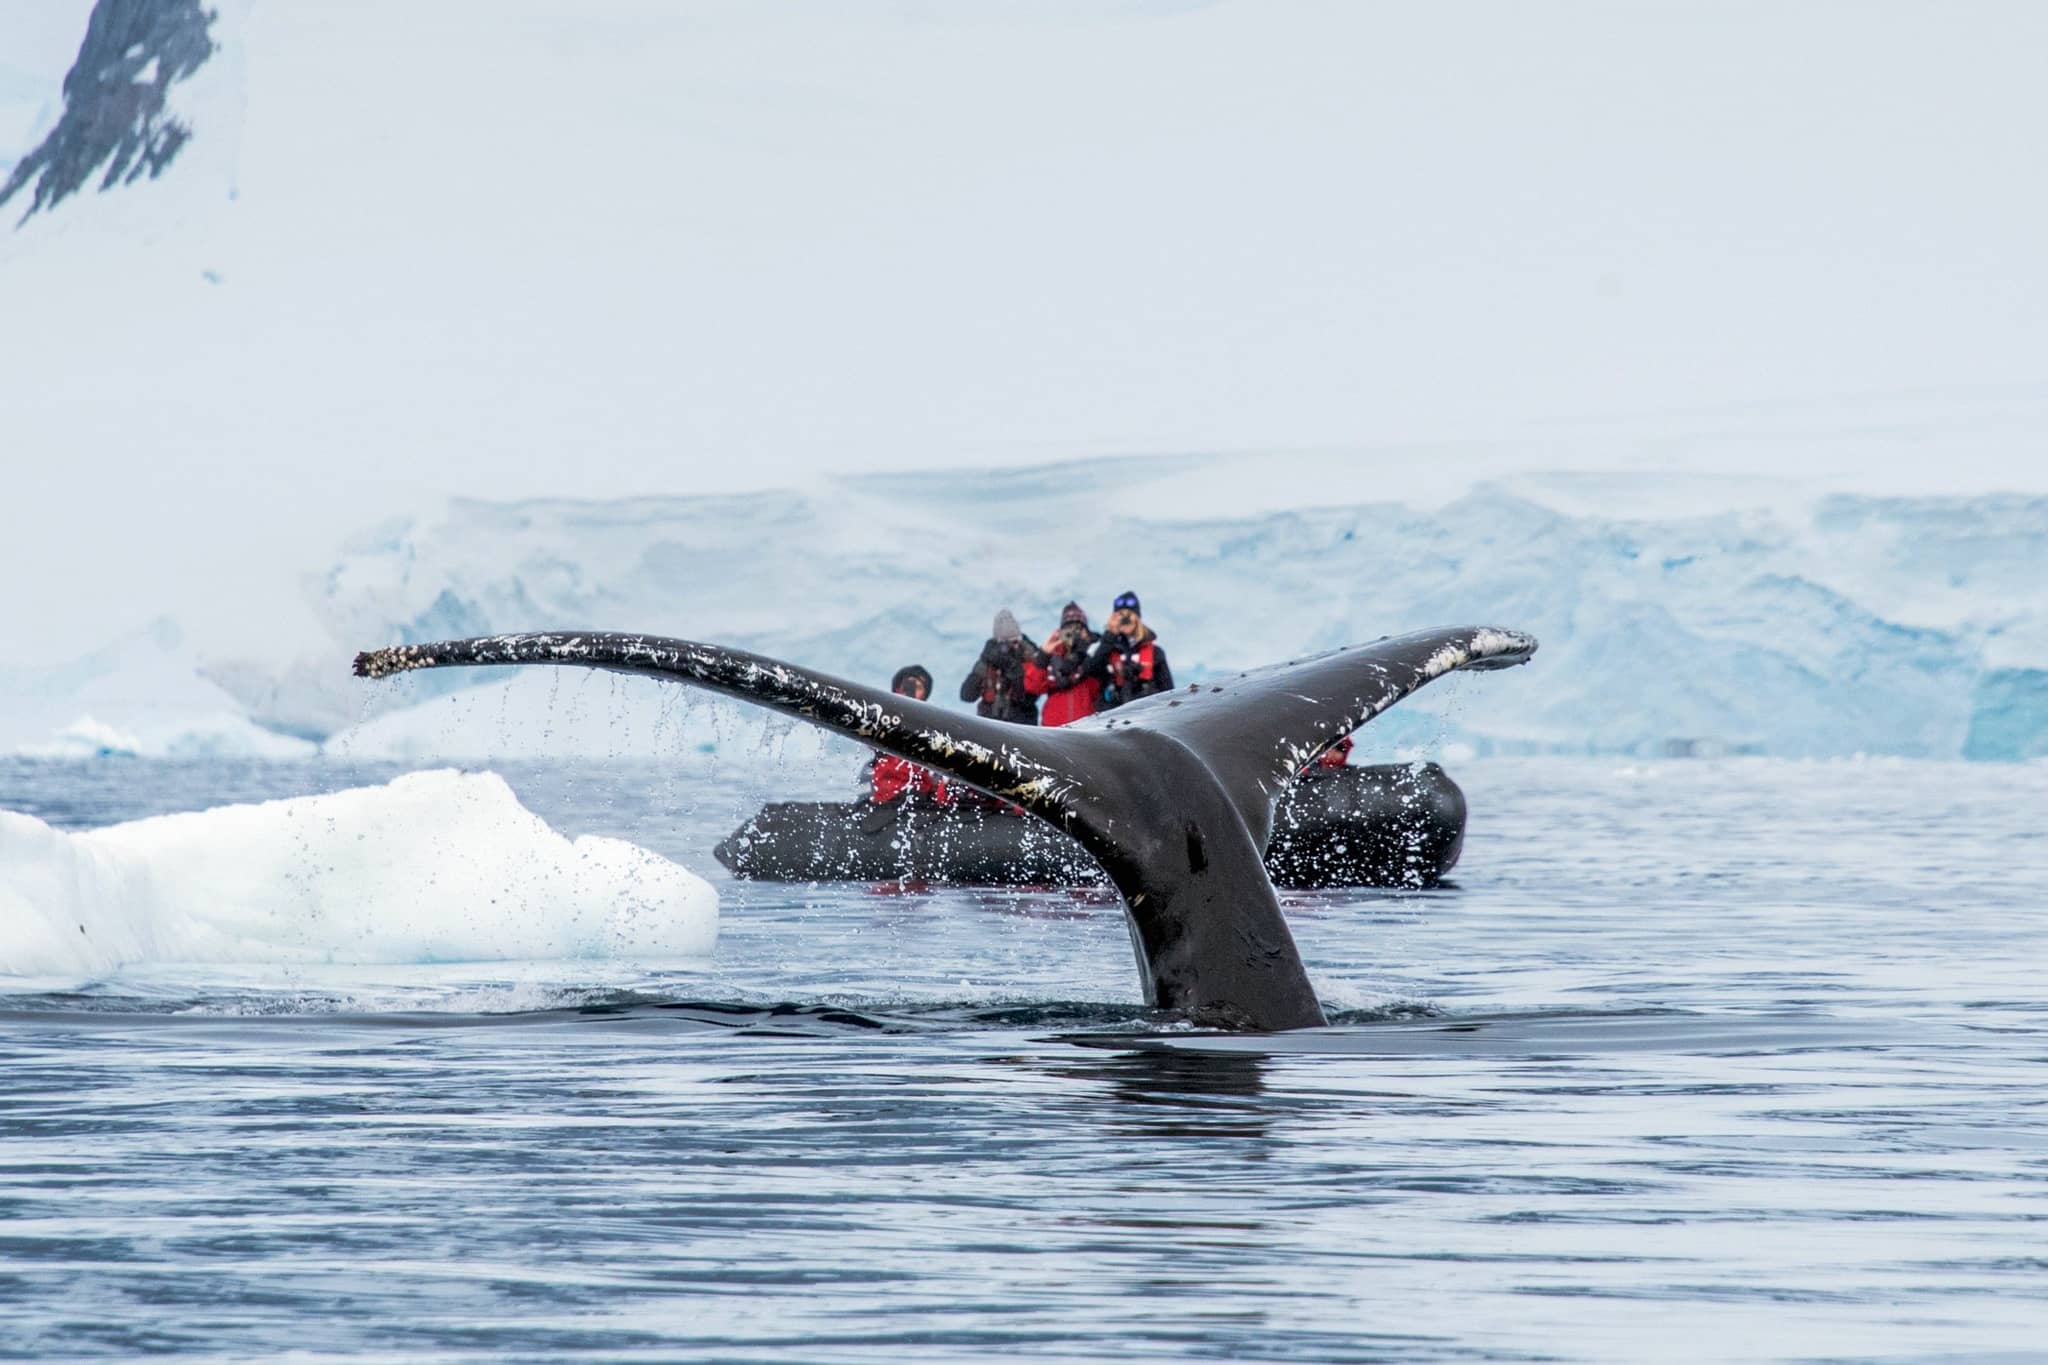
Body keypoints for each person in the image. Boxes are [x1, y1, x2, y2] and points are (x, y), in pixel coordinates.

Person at [867, 665, 952, 805]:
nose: (912, 691)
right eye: (908, 686)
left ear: (924, 695)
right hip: (889, 793)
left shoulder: (930, 723)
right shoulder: (882, 715)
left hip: (922, 792)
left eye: (919, 688)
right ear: (898, 689)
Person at [1081, 590, 1174, 708]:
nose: (1124, 619)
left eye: (1128, 615)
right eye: (1119, 615)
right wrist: (1110, 634)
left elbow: (1169, 692)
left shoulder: (1156, 653)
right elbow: (1090, 669)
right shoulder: (1106, 650)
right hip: (1113, 716)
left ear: (1137, 618)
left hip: (1148, 714)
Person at [1024, 601, 1102, 726]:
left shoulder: (1095, 654)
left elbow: (1100, 685)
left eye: (1078, 628)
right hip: (1055, 728)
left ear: (1086, 631)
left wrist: (1084, 650)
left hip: (1087, 727)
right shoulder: (1051, 656)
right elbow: (1033, 687)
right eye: (1069, 629)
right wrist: (1043, 655)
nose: (1073, 634)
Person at [959, 608, 1040, 724]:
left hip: (1021, 725)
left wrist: (1014, 670)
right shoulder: (988, 663)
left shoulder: (1030, 659)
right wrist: (985, 662)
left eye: (1015, 642)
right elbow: (967, 695)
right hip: (989, 725)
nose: (1012, 648)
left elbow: (1028, 699)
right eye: (1006, 643)